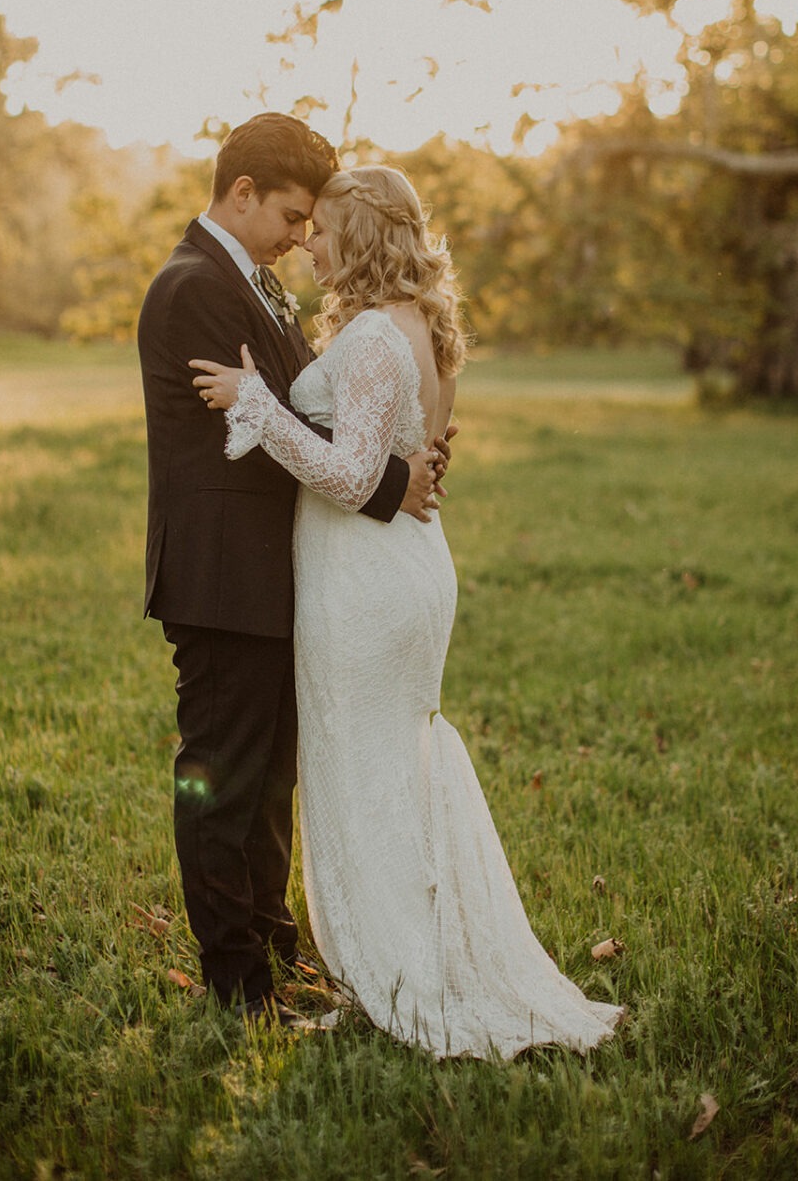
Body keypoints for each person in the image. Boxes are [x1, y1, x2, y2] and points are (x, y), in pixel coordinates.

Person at [190, 164, 624, 1059]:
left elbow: (354, 478)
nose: (310, 242)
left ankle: (399, 979)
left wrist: (259, 408)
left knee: (364, 768)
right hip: (405, 568)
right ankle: (404, 959)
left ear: (365, 236)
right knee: (390, 763)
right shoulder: (424, 328)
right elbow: (412, 452)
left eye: (325, 229)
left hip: (367, 580)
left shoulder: (379, 339)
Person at [137, 115, 444, 1027]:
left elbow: (317, 408)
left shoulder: (256, 286)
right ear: (242, 195)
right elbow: (253, 433)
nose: (304, 237)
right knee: (224, 779)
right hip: (222, 578)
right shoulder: (192, 288)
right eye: (293, 215)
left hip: (278, 576)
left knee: (274, 778)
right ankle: (237, 985)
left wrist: (399, 446)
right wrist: (391, 478)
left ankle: (272, 939)